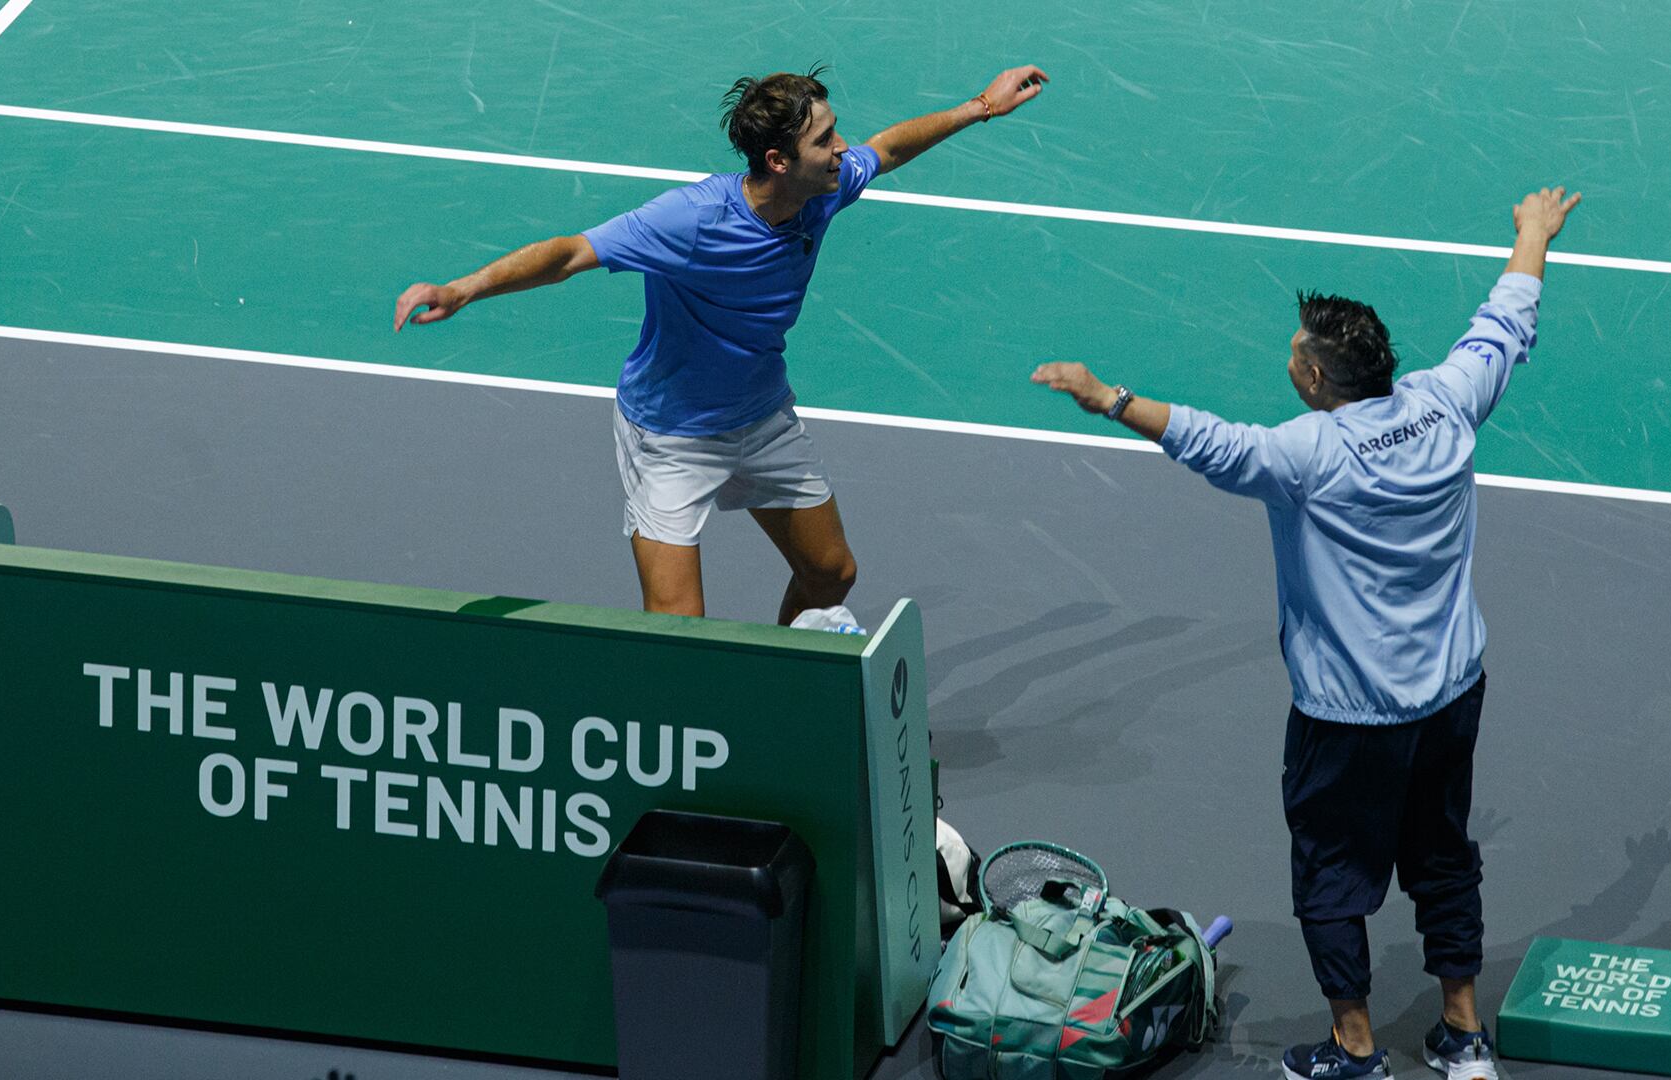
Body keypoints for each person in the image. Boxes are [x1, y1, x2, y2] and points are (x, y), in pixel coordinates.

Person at [1031, 187, 1583, 1080]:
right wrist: (1530, 233)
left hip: (1349, 719)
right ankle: (1462, 1035)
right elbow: (1504, 320)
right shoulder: (1447, 404)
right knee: (1443, 856)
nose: (1290, 361)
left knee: (1332, 876)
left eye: (1297, 355)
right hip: (1451, 695)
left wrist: (1107, 397)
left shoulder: (1306, 455)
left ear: (1318, 381)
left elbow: (1208, 441)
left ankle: (1356, 1046)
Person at [396, 63, 1048, 622]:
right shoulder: (691, 220)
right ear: (778, 161)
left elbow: (890, 148)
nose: (842, 149)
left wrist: (984, 107)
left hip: (762, 419)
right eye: (825, 140)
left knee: (831, 576)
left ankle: (777, 677)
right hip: (670, 436)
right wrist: (463, 289)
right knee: (680, 630)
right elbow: (569, 255)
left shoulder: (821, 190)